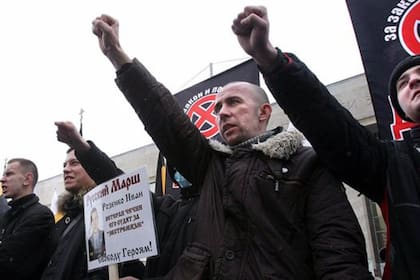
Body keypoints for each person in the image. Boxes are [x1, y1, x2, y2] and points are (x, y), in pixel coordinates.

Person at [91, 13, 374, 279]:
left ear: (263, 112)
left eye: (234, 102)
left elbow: (339, 256)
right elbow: (166, 118)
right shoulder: (211, 165)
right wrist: (118, 55)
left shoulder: (308, 165)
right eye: (217, 107)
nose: (222, 112)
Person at [229, 5, 420, 280]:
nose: (413, 81)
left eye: (419, 74)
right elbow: (327, 122)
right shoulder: (393, 164)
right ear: (400, 107)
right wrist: (269, 57)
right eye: (403, 82)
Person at [55, 120, 200, 279]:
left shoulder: (217, 208)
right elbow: (121, 185)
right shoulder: (168, 209)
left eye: (74, 163)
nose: (66, 170)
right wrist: (83, 147)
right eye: (176, 164)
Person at [0, 158, 55, 280]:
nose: (2, 179)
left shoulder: (40, 216)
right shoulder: (8, 216)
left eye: (9, 174)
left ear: (27, 179)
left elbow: (7, 261)